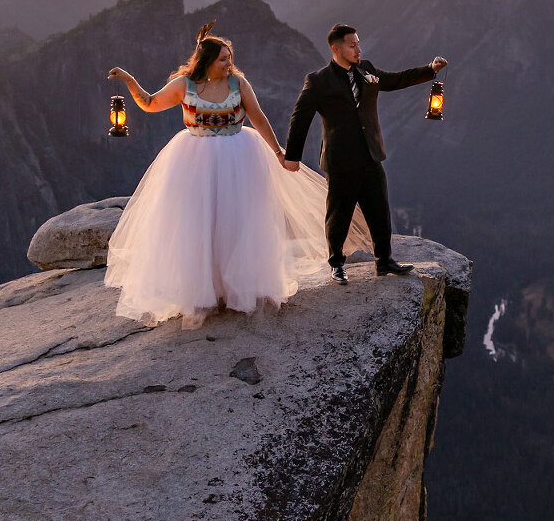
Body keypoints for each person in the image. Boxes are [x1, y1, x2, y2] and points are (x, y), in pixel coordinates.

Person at [103, 21, 369, 325]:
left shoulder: (238, 84)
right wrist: (129, 80)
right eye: (223, 59)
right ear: (207, 61)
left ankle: (237, 289)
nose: (230, 64)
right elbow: (150, 103)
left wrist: (279, 152)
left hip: (239, 154)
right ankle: (204, 290)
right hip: (195, 157)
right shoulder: (185, 84)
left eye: (230, 58)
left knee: (238, 221)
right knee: (199, 222)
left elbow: (257, 117)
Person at [282, 24, 447, 284]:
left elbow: (395, 80)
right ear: (336, 49)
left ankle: (384, 261)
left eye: (358, 43)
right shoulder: (318, 81)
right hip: (340, 161)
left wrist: (430, 70)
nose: (359, 48)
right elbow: (300, 118)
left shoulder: (367, 70)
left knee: (379, 209)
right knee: (339, 214)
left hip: (371, 155)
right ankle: (336, 263)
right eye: (352, 45)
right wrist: (293, 156)